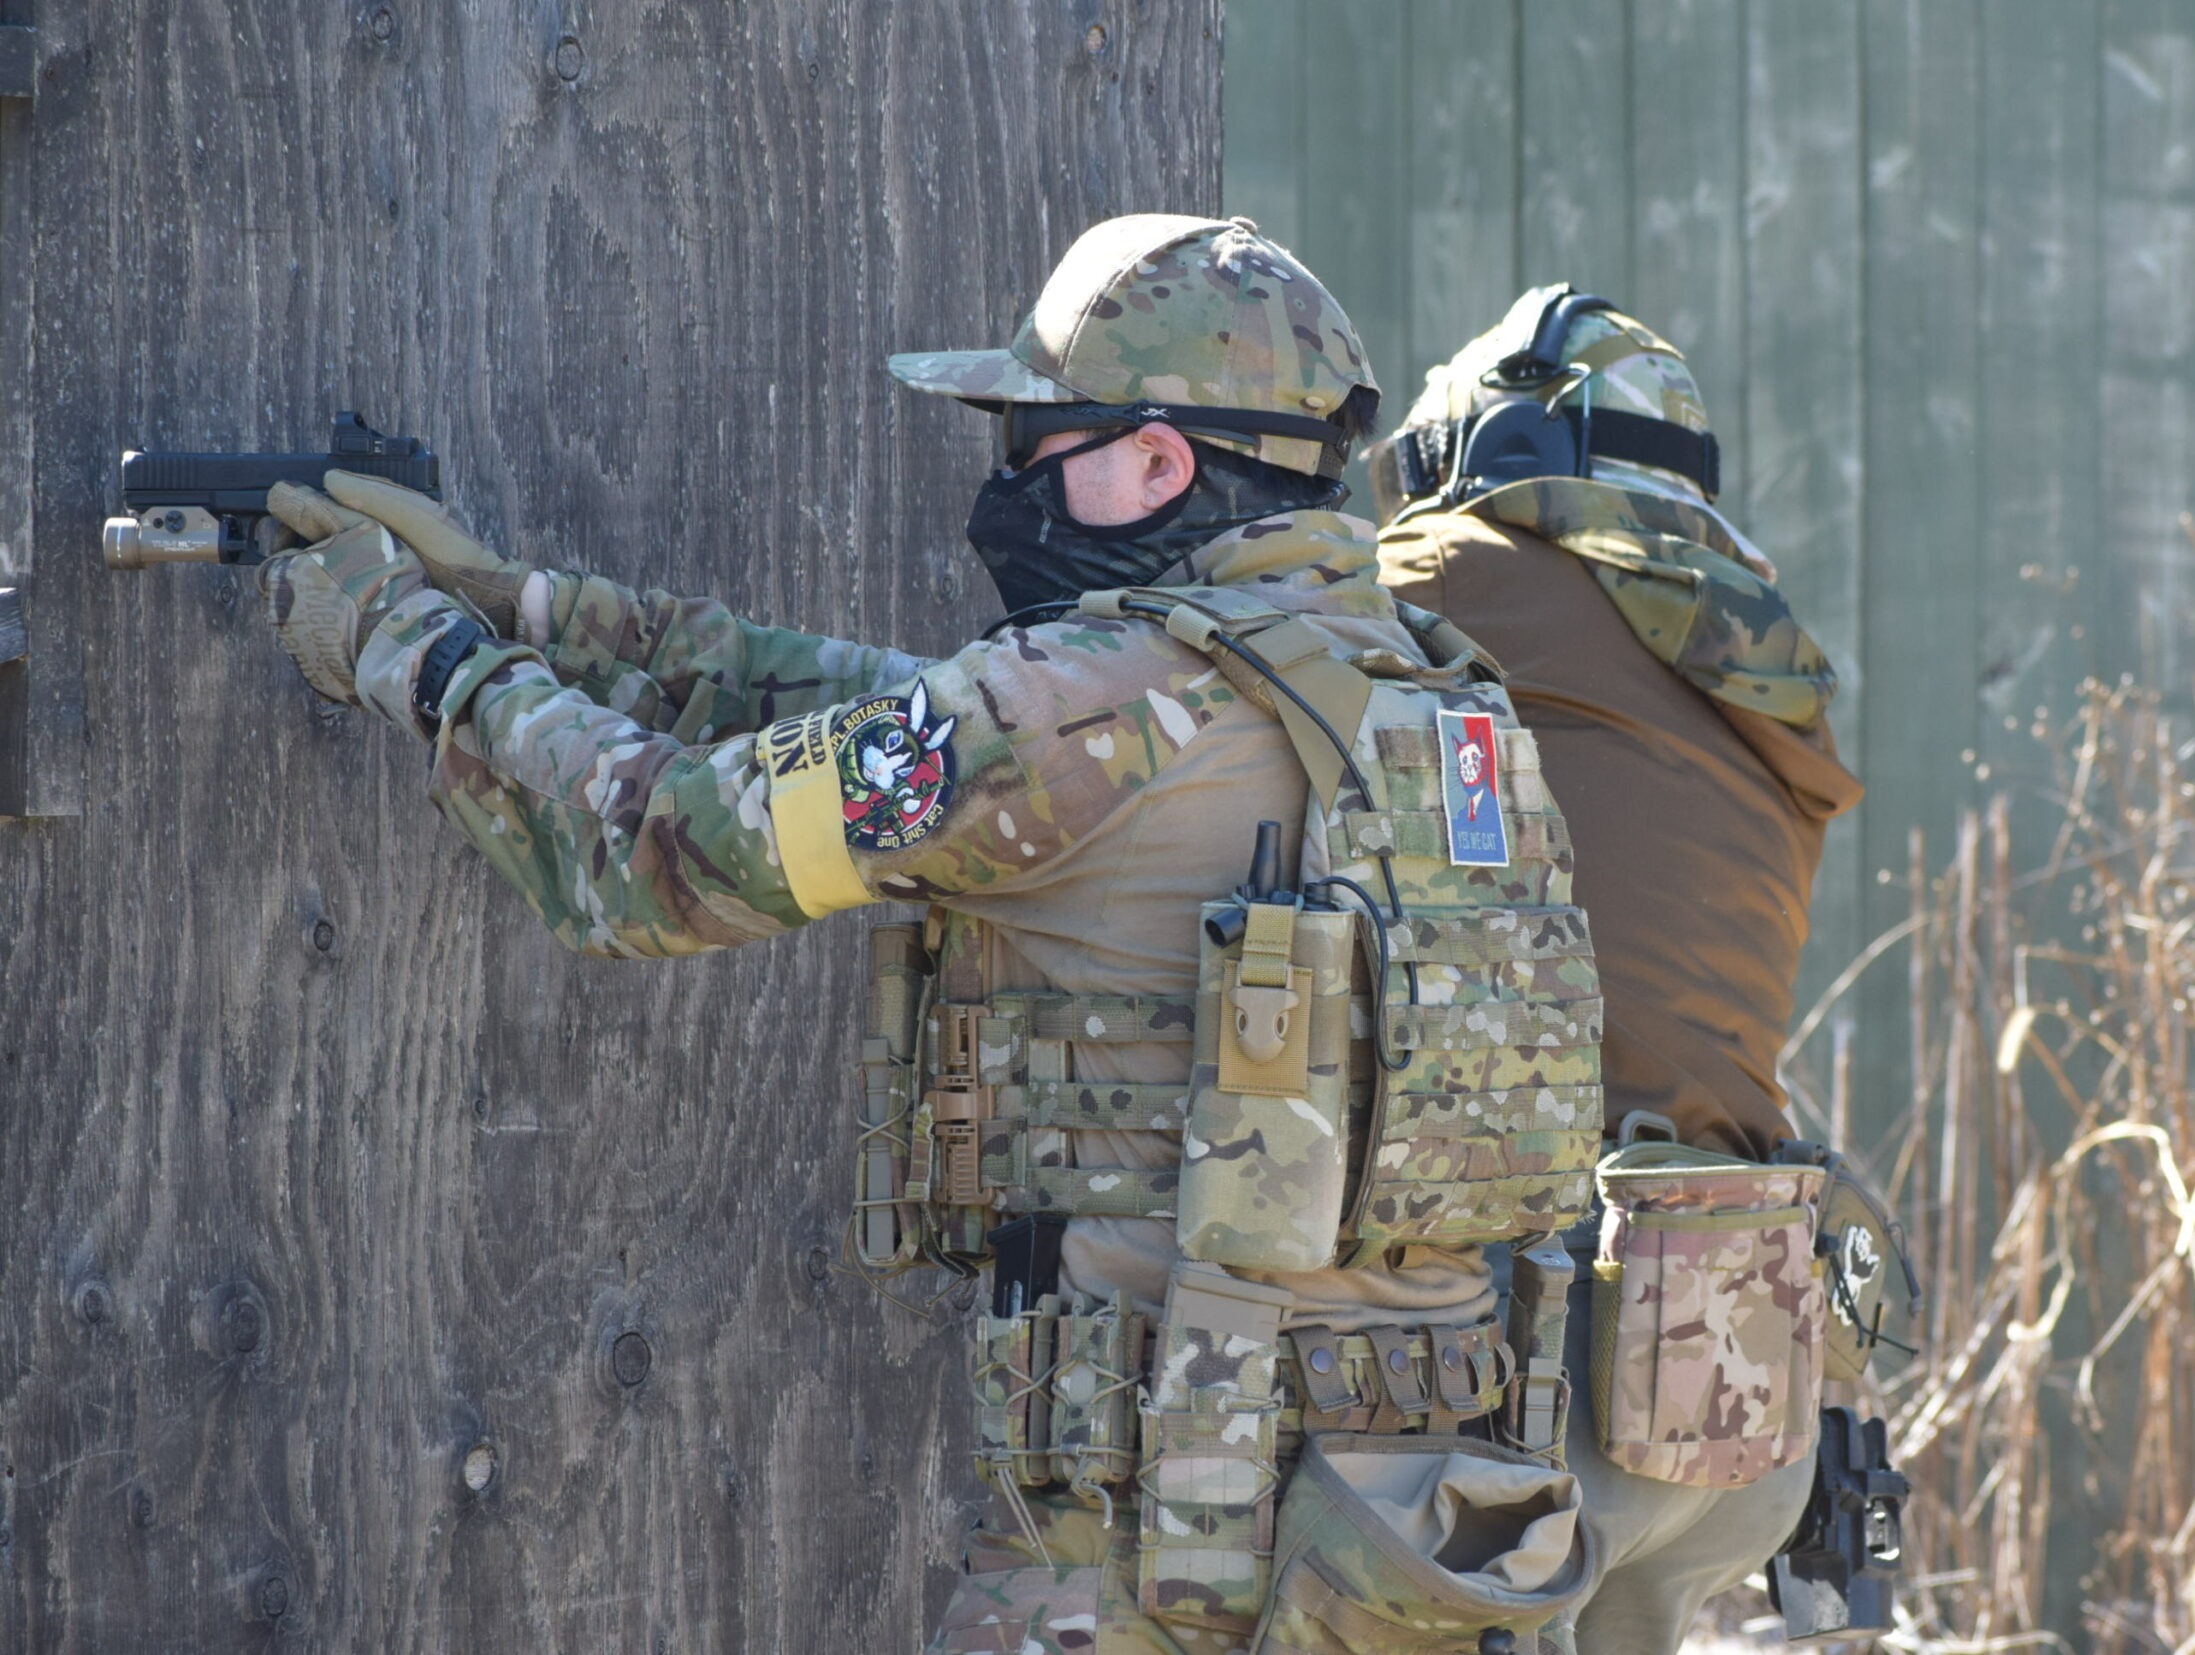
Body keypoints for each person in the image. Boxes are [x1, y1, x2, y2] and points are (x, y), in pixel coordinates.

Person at [246, 217, 1616, 1654]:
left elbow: (658, 850)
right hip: (1419, 1537)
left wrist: (418, 651)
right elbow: (887, 713)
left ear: (1158, 463)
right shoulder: (1439, 708)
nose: (1007, 481)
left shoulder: (1096, 698)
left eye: (1034, 440)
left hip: (1163, 1558)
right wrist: (540, 611)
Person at [1370, 286, 1871, 1651]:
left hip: (1531, 1352)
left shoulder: (1456, 574)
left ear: (1493, 457)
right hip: (1730, 1361)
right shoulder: (1761, 660)